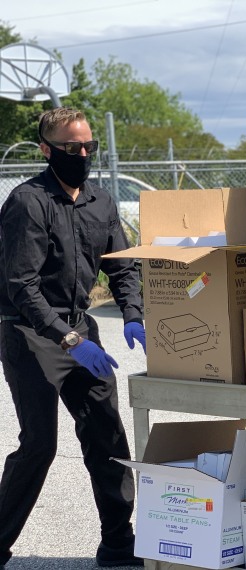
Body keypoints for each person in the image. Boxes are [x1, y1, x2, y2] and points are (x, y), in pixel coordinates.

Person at [0, 107, 146, 568]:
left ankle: (118, 546)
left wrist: (133, 315)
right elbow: (19, 285)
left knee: (107, 436)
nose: (81, 154)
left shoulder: (100, 201)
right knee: (40, 445)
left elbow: (122, 265)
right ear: (46, 150)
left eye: (88, 147)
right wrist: (67, 339)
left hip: (79, 325)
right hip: (30, 330)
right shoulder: (27, 202)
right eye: (70, 148)